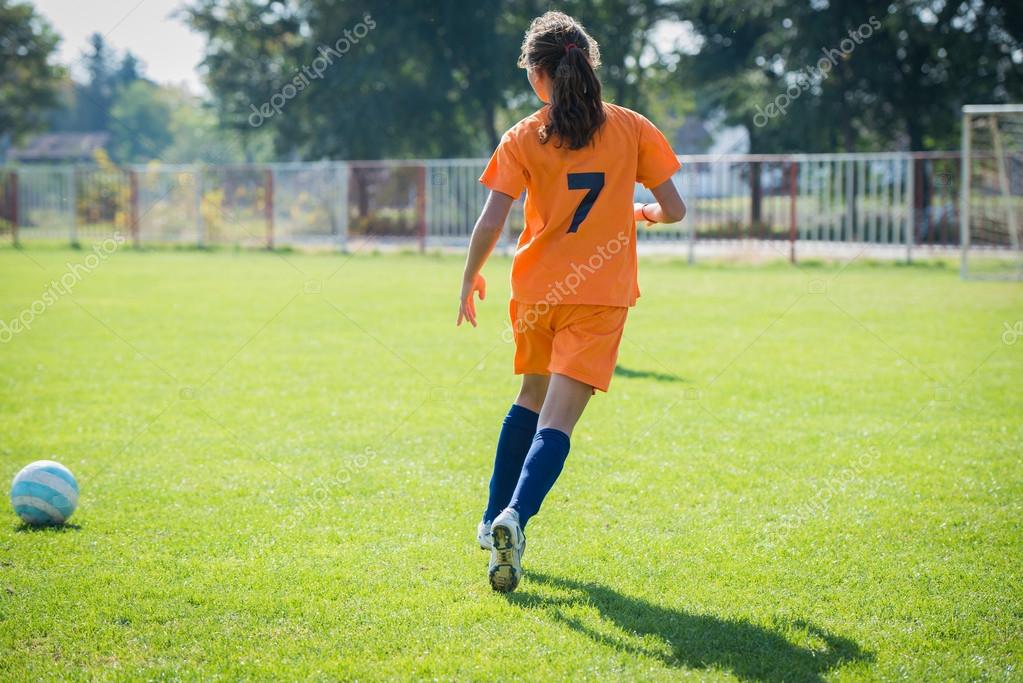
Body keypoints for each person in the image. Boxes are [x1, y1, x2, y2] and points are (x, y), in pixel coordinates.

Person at [456, 11, 686, 593]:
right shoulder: (632, 127)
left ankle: (489, 520)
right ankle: (515, 516)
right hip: (599, 295)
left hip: (536, 290)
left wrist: (468, 278)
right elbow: (675, 208)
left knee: (529, 397)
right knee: (557, 420)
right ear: (588, 63)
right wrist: (646, 213)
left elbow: (491, 219)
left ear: (538, 75)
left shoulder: (522, 135)